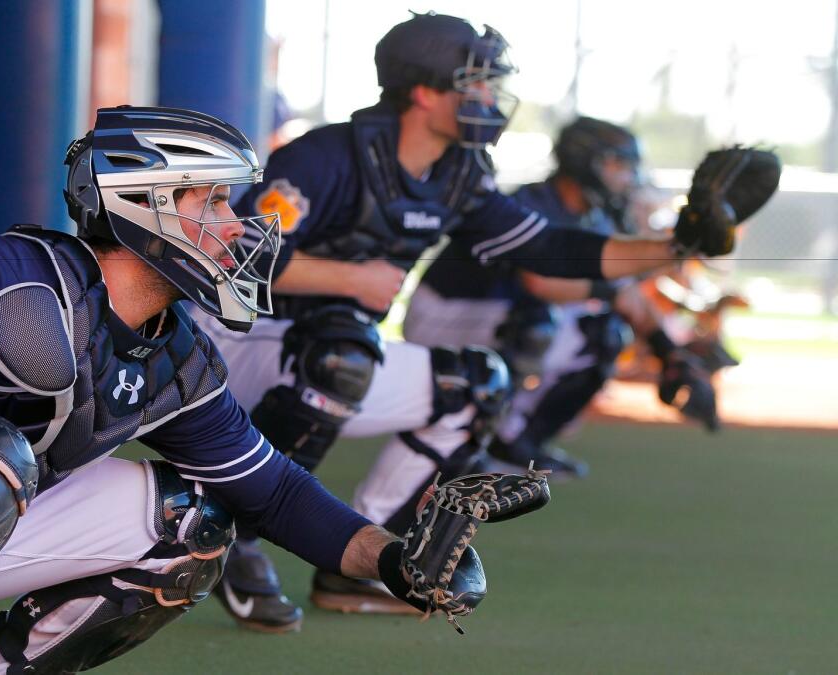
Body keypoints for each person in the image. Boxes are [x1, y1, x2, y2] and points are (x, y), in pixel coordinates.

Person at [0, 107, 524, 674]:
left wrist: (393, 559)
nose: (238, 224)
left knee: (192, 522)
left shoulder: (177, 358)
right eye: (212, 201)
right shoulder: (18, 279)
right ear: (142, 205)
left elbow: (273, 493)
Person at [192, 13, 710, 631]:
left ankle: (368, 556)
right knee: (342, 356)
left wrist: (675, 247)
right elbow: (229, 253)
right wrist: (350, 279)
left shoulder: (460, 174)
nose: (490, 99)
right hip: (224, 344)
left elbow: (548, 249)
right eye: (477, 83)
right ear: (425, 92)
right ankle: (233, 531)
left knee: (476, 386)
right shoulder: (327, 157)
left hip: (323, 350)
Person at [399, 116, 721, 484]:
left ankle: (518, 442)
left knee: (604, 333)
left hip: (496, 316)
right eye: (618, 165)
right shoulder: (532, 202)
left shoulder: (593, 217)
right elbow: (539, 282)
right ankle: (480, 442)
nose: (627, 178)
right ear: (587, 161)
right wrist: (610, 291)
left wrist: (670, 354)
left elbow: (627, 292)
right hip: (442, 312)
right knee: (538, 324)